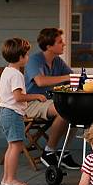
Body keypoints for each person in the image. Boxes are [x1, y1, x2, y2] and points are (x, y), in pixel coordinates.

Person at [24, 28, 80, 170]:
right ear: (49, 46)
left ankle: (63, 151)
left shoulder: (57, 61)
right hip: (31, 103)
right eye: (60, 42)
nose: (64, 44)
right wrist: (67, 78)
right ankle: (48, 152)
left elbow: (72, 78)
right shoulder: (34, 60)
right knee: (64, 110)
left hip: (48, 102)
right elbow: (40, 81)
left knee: (76, 110)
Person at [0, 37, 47, 185]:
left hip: (6, 112)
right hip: (12, 113)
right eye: (26, 54)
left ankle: (6, 178)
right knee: (16, 146)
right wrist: (37, 96)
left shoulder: (7, 71)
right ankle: (11, 179)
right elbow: (18, 97)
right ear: (20, 57)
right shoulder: (17, 75)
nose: (28, 57)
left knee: (12, 146)